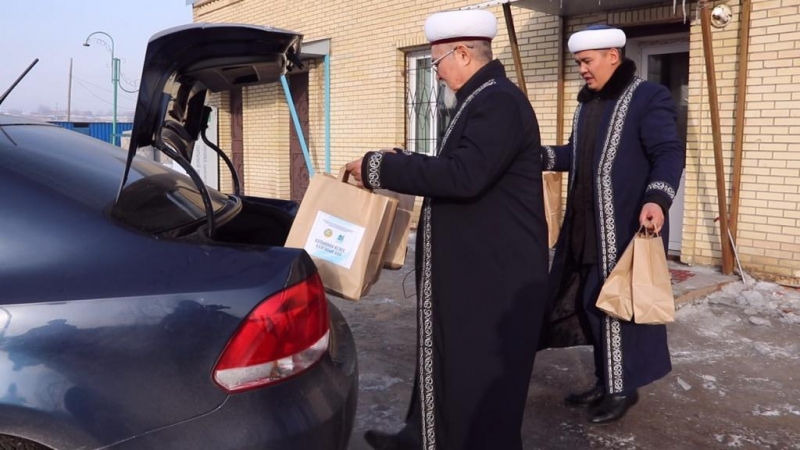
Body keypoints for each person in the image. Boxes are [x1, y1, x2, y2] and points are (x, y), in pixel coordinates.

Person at [345, 8, 549, 450]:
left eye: (436, 62)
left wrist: (382, 167)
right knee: (445, 364)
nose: (435, 73)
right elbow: (459, 165)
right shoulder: (481, 98)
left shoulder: (497, 102)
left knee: (475, 383)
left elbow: (463, 175)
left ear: (463, 53)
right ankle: (419, 438)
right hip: (474, 272)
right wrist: (401, 159)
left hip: (493, 278)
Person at [539, 24, 684, 424]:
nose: (582, 70)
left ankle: (622, 389)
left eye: (586, 61)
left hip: (624, 225)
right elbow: (577, 155)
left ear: (613, 56)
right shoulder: (587, 105)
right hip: (585, 228)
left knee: (617, 309)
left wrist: (657, 198)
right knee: (591, 305)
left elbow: (668, 152)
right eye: (578, 63)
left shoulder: (647, 97)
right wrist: (536, 156)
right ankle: (606, 380)